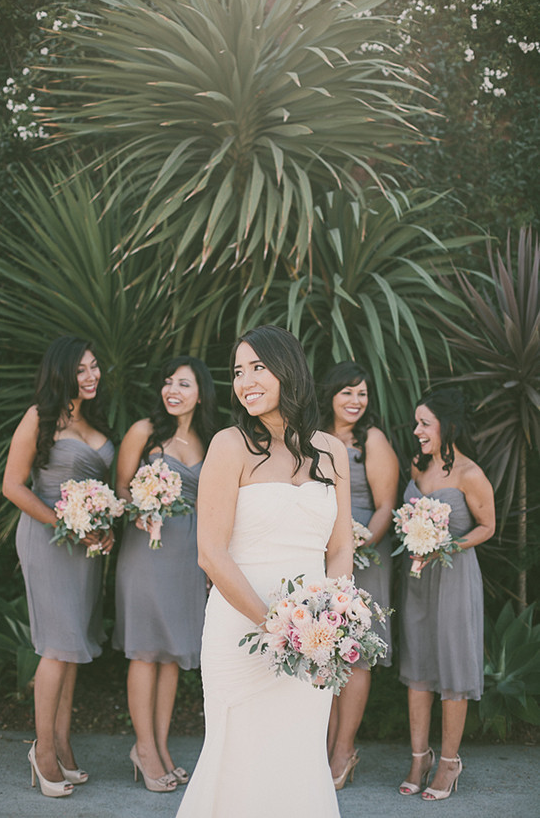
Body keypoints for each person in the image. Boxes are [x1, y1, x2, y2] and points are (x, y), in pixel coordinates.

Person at [176, 325, 353, 818]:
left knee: (298, 756)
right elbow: (210, 553)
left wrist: (330, 624)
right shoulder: (229, 445)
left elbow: (340, 549)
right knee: (239, 756)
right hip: (241, 628)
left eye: (258, 367)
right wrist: (276, 626)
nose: (245, 380)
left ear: (288, 370)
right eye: (237, 371)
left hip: (313, 636)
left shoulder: (331, 451)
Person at [3, 336, 114, 797]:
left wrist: (103, 528)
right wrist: (66, 525)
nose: (90, 376)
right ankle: (42, 751)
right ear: (62, 372)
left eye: (94, 367)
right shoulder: (40, 417)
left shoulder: (94, 419)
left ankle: (64, 745)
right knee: (56, 646)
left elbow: (103, 491)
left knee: (72, 647)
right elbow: (13, 486)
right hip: (48, 541)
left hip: (85, 547)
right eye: (81, 369)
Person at [113, 355, 218, 793]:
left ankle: (160, 746)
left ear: (201, 393)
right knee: (145, 650)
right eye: (168, 382)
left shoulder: (211, 441)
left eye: (184, 384)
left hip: (187, 559)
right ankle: (144, 748)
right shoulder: (144, 432)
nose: (173, 390)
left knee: (173, 653)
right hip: (147, 553)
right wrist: (141, 505)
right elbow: (120, 487)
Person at [398, 388, 495, 801]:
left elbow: (487, 526)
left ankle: (450, 762)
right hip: (417, 580)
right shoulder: (417, 466)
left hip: (453, 579)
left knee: (453, 668)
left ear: (446, 425)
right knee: (417, 667)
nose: (417, 430)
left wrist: (448, 545)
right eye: (417, 422)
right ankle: (420, 756)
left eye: (425, 423)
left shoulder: (470, 473)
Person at [320, 362, 399, 789]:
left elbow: (386, 503)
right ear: (330, 394)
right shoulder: (312, 437)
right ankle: (322, 744)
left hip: (365, 555)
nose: (355, 401)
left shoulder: (372, 440)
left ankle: (343, 750)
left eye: (362, 394)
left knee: (357, 653)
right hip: (320, 556)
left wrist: (359, 543)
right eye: (347, 392)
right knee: (325, 650)